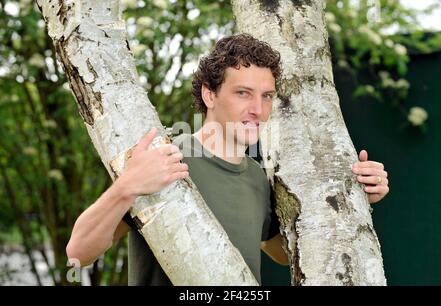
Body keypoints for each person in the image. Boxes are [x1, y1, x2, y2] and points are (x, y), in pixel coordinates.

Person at [66, 34, 390, 285]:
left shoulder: (256, 176)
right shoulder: (167, 159)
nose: (258, 110)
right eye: (243, 93)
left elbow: (278, 250)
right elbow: (78, 253)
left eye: (267, 96)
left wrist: (355, 198)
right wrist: (127, 187)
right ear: (210, 94)